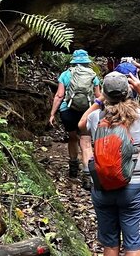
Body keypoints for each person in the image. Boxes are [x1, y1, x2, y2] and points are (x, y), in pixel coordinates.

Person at [78, 72, 140, 256]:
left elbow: (81, 125)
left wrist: (100, 100)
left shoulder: (96, 117)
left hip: (103, 184)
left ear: (105, 93)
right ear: (128, 92)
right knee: (133, 244)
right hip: (133, 186)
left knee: (110, 244)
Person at [49, 49, 101, 182]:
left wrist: (52, 114)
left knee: (72, 137)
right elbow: (98, 97)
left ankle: (73, 169)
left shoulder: (65, 75)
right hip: (87, 111)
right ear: (87, 62)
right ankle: (88, 175)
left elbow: (59, 95)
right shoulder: (93, 76)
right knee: (86, 141)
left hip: (68, 111)